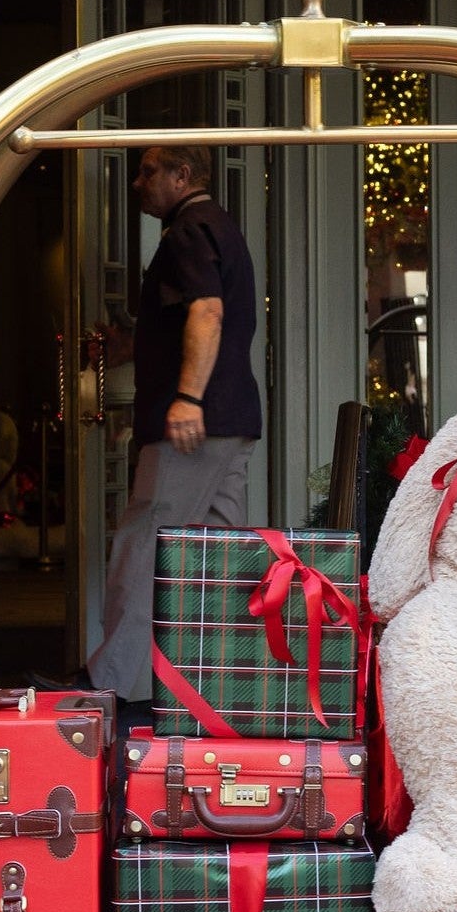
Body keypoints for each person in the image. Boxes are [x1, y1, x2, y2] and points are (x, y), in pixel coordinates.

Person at [82, 144, 262, 702]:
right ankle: (227, 689)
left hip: (193, 425)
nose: (138, 182)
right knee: (218, 554)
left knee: (146, 543)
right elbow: (196, 320)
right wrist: (136, 348)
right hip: (231, 420)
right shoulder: (220, 227)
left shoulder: (188, 230)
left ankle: (104, 685)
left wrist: (185, 397)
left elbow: (208, 312)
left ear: (182, 175)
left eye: (148, 171)